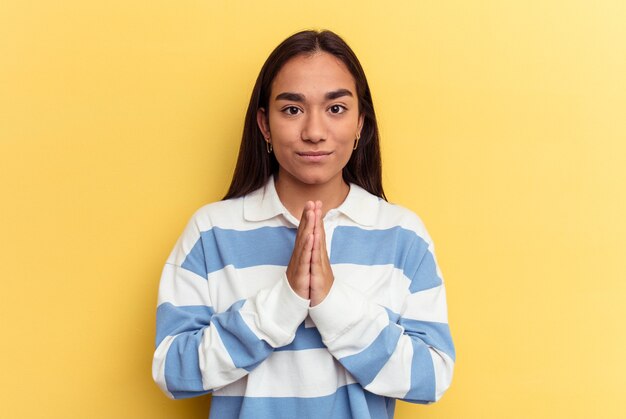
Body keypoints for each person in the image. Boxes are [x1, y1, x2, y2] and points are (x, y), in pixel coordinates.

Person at [152, 29, 455, 419]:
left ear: (361, 122)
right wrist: (281, 302)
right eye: (292, 109)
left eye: (336, 109)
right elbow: (172, 371)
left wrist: (332, 303)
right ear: (264, 124)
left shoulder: (402, 235)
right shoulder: (211, 231)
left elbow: (431, 377)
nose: (313, 132)